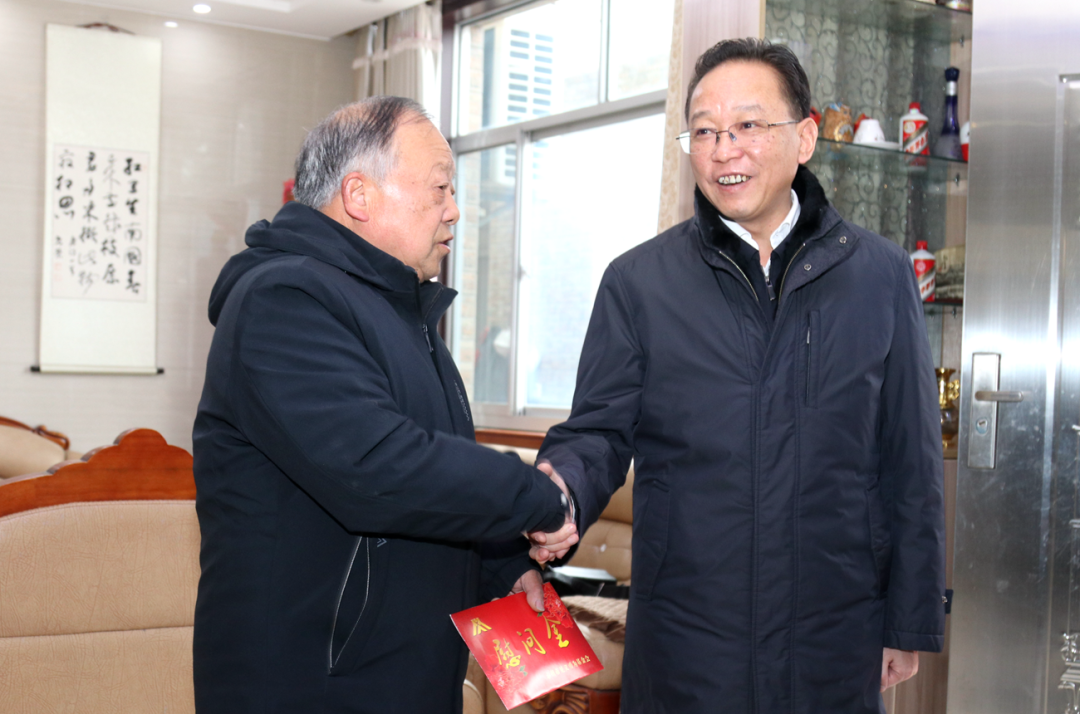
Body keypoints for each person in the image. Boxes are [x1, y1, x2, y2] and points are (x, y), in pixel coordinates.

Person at [532, 38, 946, 713]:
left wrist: (909, 619)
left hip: (834, 634)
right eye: (704, 131)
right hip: (688, 638)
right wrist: (561, 491)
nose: (724, 150)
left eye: (748, 125)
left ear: (805, 137)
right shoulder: (639, 283)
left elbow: (912, 462)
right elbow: (597, 433)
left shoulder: (879, 275)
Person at [192, 96, 576, 714]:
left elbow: (433, 481)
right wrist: (536, 496)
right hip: (312, 684)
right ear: (359, 195)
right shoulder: (282, 300)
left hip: (399, 675)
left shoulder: (401, 311)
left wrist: (502, 564)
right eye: (440, 188)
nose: (455, 210)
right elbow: (377, 466)